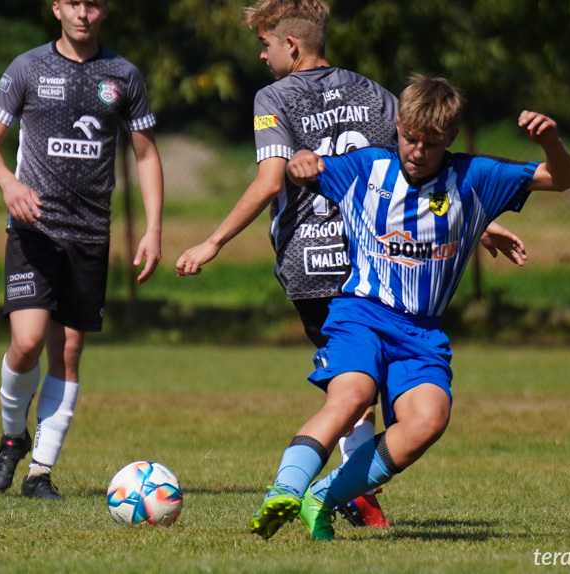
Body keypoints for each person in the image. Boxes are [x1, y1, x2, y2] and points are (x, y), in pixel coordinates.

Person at [175, 0, 526, 527]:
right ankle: (351, 493)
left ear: (291, 45)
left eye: (266, 46)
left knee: (353, 385)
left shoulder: (273, 97)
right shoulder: (374, 93)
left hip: (312, 259)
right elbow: (419, 172)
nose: (263, 57)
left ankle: (343, 494)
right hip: (383, 249)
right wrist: (477, 220)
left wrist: (213, 242)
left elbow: (272, 180)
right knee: (363, 386)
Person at [250, 75, 570, 540]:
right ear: (397, 125)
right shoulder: (365, 168)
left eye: (432, 143)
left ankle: (324, 495)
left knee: (428, 419)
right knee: (352, 396)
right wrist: (300, 161)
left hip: (421, 333)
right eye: (409, 138)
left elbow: (561, 180)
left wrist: (551, 142)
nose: (418, 151)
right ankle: (283, 490)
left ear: (451, 139)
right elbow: (306, 166)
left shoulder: (476, 177)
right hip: (361, 314)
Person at [0, 0, 163, 500]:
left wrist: (153, 228)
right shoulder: (27, 68)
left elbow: (146, 154)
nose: (84, 13)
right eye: (73, 3)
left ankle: (39, 474)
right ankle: (12, 437)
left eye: (93, 4)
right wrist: (10, 186)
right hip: (34, 229)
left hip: (90, 233)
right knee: (28, 340)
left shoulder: (122, 75)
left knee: (70, 350)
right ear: (56, 7)